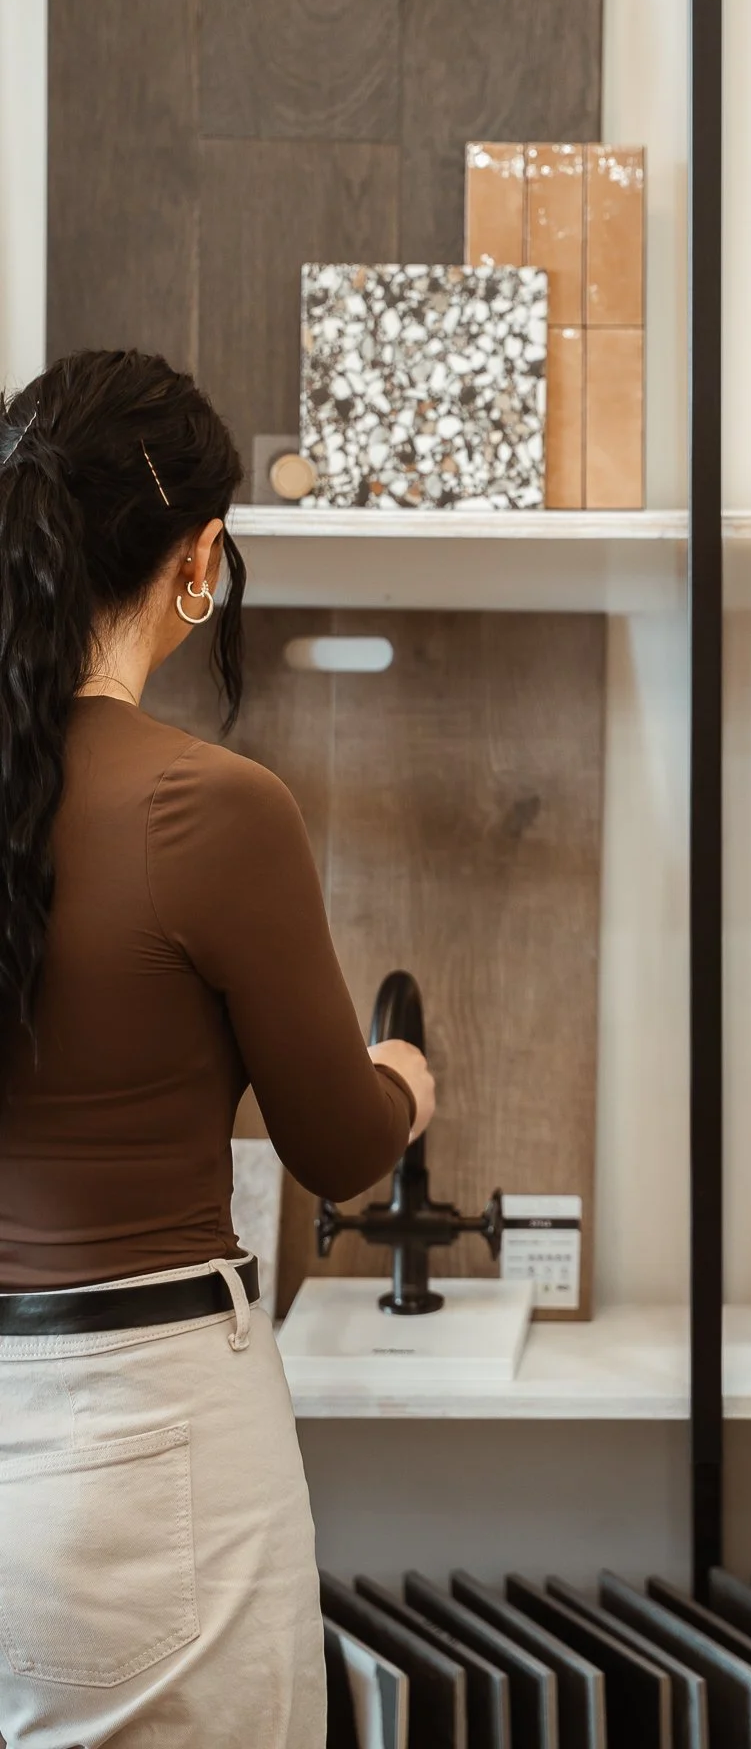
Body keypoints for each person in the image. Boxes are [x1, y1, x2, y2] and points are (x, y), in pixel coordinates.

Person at [0, 350, 436, 1749]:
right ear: (201, 559)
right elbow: (337, 1147)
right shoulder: (208, 807)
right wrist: (404, 1087)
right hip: (141, 1437)